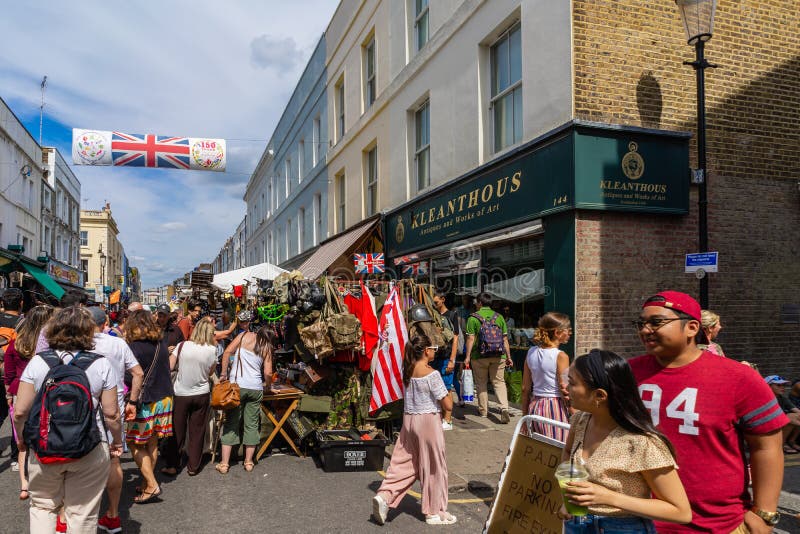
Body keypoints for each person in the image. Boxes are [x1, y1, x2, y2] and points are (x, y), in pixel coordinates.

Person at [629, 291, 788, 533]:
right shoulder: (626, 373)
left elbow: (766, 446)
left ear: (692, 328)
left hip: (717, 524)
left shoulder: (739, 378)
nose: (645, 330)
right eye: (641, 323)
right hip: (636, 520)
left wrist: (764, 513)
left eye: (656, 322)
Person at [13, 306, 123, 534]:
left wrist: (23, 439)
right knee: (81, 512)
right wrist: (117, 441)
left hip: (45, 446)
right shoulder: (101, 364)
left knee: (43, 506)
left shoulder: (38, 362)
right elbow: (112, 413)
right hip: (90, 444)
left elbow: (20, 411)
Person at [558, 349, 691, 533]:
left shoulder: (641, 442)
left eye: (572, 383)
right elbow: (567, 454)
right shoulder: (580, 420)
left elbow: (681, 512)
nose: (564, 386)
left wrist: (609, 497)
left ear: (599, 396)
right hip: (577, 524)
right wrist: (569, 499)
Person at [372, 335, 456, 526]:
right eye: (434, 348)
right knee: (434, 466)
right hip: (428, 421)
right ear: (426, 351)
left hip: (409, 420)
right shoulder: (431, 374)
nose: (435, 351)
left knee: (404, 463)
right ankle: (434, 511)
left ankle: (384, 496)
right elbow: (448, 405)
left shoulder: (407, 371)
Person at [87, 306, 144, 533]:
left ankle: (76, 515)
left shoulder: (76, 342)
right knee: (113, 459)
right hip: (115, 404)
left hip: (82, 406)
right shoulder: (117, 343)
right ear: (104, 324)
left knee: (80, 459)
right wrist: (133, 401)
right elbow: (138, 373)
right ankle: (112, 514)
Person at [4, 304, 54, 499]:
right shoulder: (50, 344)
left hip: (20, 391)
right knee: (45, 433)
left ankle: (25, 485)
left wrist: (9, 394)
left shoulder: (17, 343)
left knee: (22, 441)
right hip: (45, 390)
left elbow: (8, 374)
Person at [125, 309, 173, 504]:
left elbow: (132, 376)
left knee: (134, 442)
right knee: (152, 442)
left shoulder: (134, 347)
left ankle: (152, 485)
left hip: (146, 400)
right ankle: (147, 482)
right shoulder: (160, 343)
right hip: (165, 398)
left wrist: (131, 401)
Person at [216, 324, 273, 474]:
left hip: (237, 387)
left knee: (231, 424)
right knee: (252, 424)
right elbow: (268, 372)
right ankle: (248, 462)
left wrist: (223, 373)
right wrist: (268, 384)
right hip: (255, 387)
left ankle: (224, 464)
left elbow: (227, 352)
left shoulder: (243, 336)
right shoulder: (266, 347)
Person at [163, 319, 217, 476]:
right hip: (202, 393)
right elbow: (211, 372)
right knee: (197, 430)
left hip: (181, 393)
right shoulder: (212, 350)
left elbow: (170, 367)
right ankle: (193, 466)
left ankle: (173, 464)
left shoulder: (181, 346)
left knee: (177, 430)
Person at [520, 311, 571, 442]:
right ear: (557, 333)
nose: (570, 333)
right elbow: (564, 388)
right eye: (568, 329)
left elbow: (525, 388)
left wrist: (524, 417)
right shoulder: (561, 356)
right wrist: (574, 412)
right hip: (554, 407)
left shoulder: (531, 352)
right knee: (558, 449)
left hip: (535, 405)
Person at [464, 292, 512, 423]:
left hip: (479, 355)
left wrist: (467, 356)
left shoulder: (473, 318)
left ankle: (483, 411)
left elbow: (470, 338)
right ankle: (504, 408)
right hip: (498, 355)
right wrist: (509, 356)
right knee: (499, 382)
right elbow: (505, 339)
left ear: (479, 303)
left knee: (481, 383)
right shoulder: (500, 317)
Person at [432, 290, 460, 429]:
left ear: (443, 299)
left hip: (446, 357)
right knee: (436, 388)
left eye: (436, 302)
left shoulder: (452, 315)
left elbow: (455, 339)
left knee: (446, 388)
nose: (434, 304)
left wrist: (452, 360)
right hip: (434, 357)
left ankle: (448, 419)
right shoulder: (432, 315)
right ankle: (440, 417)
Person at [764, 375, 800, 454]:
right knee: (790, 418)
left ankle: (791, 441)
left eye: (784, 385)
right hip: (766, 427)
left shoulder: (782, 398)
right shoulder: (764, 398)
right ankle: (781, 444)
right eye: (778, 385)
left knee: (795, 416)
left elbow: (797, 411)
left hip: (779, 422)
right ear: (767, 386)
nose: (782, 387)